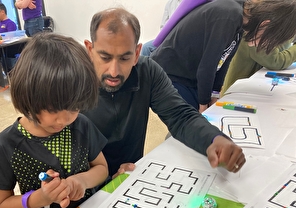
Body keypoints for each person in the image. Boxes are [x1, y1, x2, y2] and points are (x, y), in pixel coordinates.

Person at [82, 8, 245, 180]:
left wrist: (214, 139)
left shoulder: (148, 71)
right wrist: (100, 179)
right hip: (83, 186)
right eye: (105, 58)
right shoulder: (72, 80)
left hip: (129, 177)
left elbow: (180, 116)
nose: (114, 71)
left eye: (124, 58)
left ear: (137, 53)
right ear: (90, 50)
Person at [0, 32, 109, 208]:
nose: (64, 119)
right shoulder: (7, 144)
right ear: (28, 96)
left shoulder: (81, 125)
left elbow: (102, 168)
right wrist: (40, 198)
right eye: (53, 109)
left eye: (74, 107)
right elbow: (1, 206)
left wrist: (81, 181)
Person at [151, 0, 296, 113]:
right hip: (169, 73)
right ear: (265, 24)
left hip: (191, 75)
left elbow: (224, 61)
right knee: (191, 121)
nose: (263, 46)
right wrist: (203, 104)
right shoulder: (229, 16)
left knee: (203, 116)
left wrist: (215, 93)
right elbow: (208, 66)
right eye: (269, 40)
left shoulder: (241, 22)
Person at [221, 37, 296, 94]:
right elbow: (275, 61)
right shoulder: (259, 31)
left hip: (254, 89)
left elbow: (281, 50)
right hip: (238, 93)